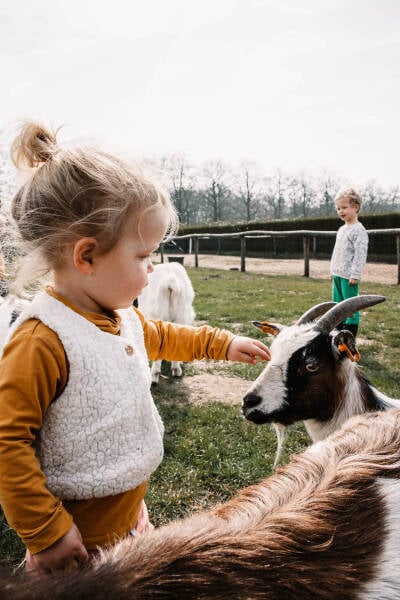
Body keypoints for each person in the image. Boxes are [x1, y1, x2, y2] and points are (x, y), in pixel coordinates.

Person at [0, 122, 271, 577]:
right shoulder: (41, 341)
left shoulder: (121, 314)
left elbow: (164, 336)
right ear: (86, 257)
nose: (151, 269)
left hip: (132, 520)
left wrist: (223, 343)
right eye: (143, 256)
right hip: (77, 548)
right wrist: (48, 531)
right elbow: (8, 443)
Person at [329, 188, 369, 337]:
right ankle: (337, 334)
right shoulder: (341, 229)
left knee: (350, 306)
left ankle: (349, 336)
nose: (341, 211)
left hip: (349, 277)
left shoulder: (359, 230)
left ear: (356, 207)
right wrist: (332, 269)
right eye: (338, 208)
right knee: (337, 305)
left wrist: (355, 274)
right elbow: (336, 251)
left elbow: (360, 254)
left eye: (344, 207)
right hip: (338, 275)